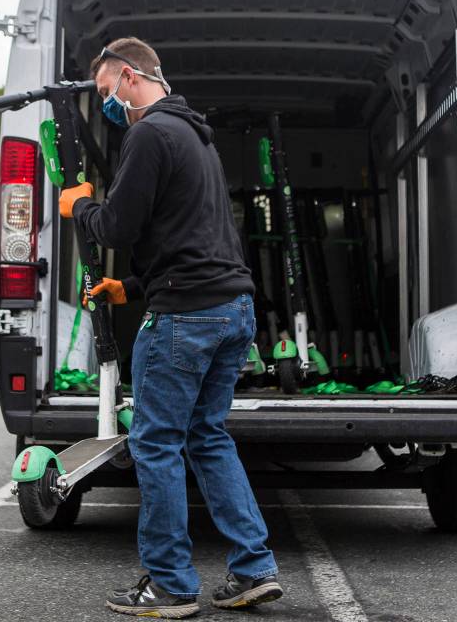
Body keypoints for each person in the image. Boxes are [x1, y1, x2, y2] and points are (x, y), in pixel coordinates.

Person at [59, 37, 282, 618]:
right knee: (207, 437)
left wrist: (78, 206)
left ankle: (170, 586)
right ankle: (253, 570)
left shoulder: (150, 133)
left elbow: (117, 226)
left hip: (186, 315)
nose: (110, 106)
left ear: (131, 76)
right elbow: (192, 236)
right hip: (232, 309)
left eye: (109, 92)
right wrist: (129, 288)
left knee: (156, 443)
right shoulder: (196, 137)